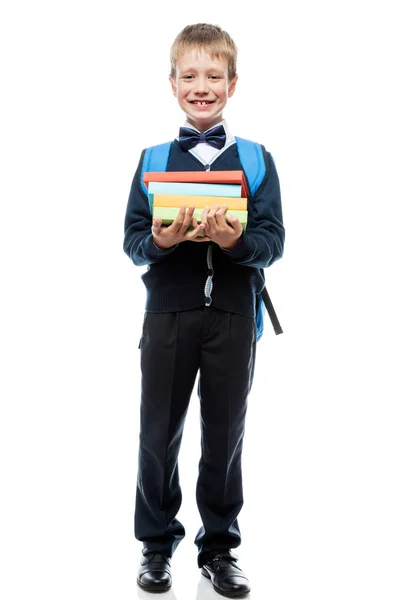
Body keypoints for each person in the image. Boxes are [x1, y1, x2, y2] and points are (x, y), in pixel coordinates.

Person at [123, 23, 285, 597]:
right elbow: (133, 240)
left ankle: (218, 549)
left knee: (224, 436)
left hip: (235, 317)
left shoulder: (257, 159)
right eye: (189, 76)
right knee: (157, 434)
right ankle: (156, 546)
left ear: (232, 85)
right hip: (167, 315)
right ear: (172, 84)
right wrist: (162, 243)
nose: (201, 86)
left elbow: (273, 241)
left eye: (213, 76)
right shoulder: (151, 159)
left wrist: (234, 241)